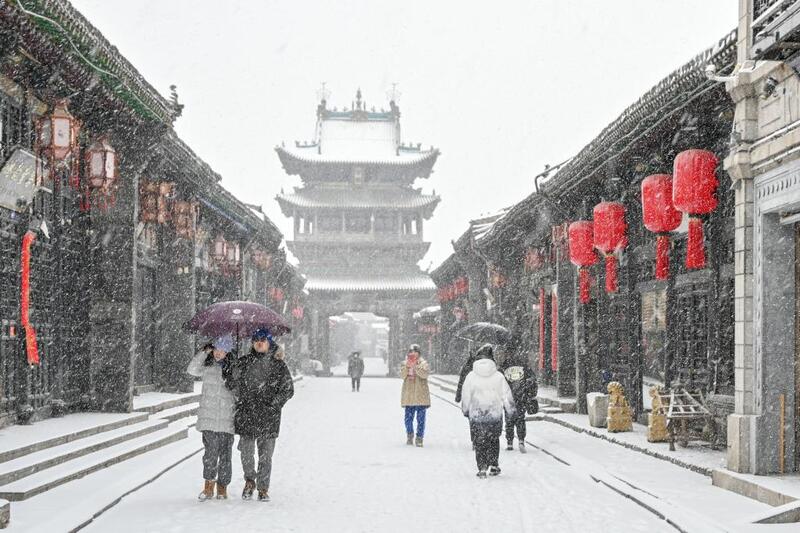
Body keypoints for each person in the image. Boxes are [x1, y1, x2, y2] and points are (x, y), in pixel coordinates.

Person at [231, 328, 294, 502]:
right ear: (252, 343)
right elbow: (232, 384)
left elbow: (288, 389)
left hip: (269, 416)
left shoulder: (279, 365)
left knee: (266, 456)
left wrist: (274, 404)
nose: (259, 343)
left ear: (269, 342)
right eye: (256, 340)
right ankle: (250, 481)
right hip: (247, 414)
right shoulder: (243, 362)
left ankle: (263, 487)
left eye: (263, 340)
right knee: (246, 453)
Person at [187, 334, 236, 501]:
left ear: (228, 352)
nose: (218, 353)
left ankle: (222, 487)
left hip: (227, 420)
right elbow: (191, 369)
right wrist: (203, 352)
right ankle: (208, 486)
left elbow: (239, 391)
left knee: (225, 456)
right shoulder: (207, 366)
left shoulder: (234, 369)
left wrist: (231, 377)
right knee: (209, 455)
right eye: (216, 349)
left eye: (223, 350)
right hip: (208, 419)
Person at [460, 344, 516, 478]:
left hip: (477, 415)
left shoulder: (471, 376)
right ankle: (494, 465)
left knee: (479, 441)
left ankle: (482, 467)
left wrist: (466, 409)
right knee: (493, 440)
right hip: (494, 415)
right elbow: (507, 395)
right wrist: (511, 410)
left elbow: (466, 395)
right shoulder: (498, 376)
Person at [497, 336, 536, 453]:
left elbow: (499, 380)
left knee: (509, 420)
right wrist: (529, 391)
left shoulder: (504, 366)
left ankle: (509, 442)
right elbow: (532, 378)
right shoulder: (523, 365)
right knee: (520, 419)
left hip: (508, 397)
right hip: (521, 396)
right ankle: (521, 440)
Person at [400, 344, 431, 447]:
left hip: (420, 396)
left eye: (415, 352)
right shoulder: (405, 363)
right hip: (409, 396)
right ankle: (409, 435)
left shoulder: (424, 363)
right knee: (408, 418)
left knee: (421, 419)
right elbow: (402, 375)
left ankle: (419, 438)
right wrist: (407, 366)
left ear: (419, 353)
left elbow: (424, 374)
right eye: (411, 352)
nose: (412, 354)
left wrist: (415, 367)